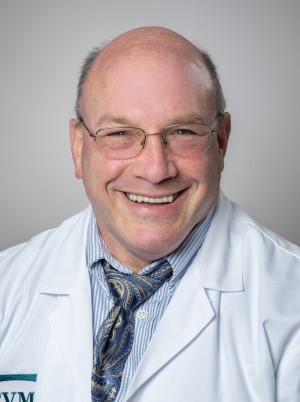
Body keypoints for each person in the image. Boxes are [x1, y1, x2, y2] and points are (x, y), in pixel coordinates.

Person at [0, 26, 300, 402]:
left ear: (221, 142)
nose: (156, 170)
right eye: (120, 134)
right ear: (78, 148)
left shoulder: (292, 301)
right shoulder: (6, 287)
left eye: (183, 131)